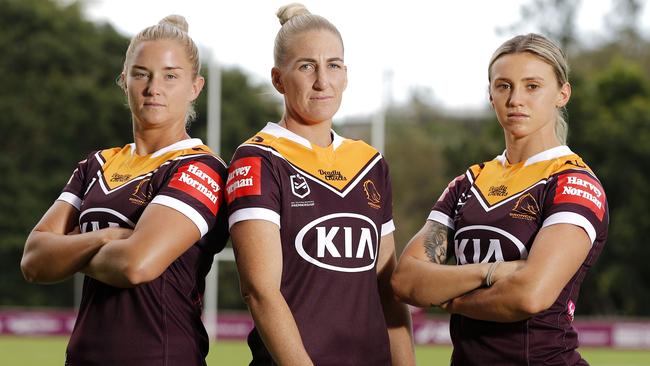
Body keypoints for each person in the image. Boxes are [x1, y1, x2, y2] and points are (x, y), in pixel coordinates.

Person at [20, 15, 228, 366]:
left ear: (195, 87)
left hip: (159, 357)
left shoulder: (199, 167)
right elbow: (34, 260)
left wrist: (68, 253)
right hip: (83, 357)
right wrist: (109, 237)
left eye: (170, 76)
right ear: (123, 80)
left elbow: (136, 265)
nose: (153, 88)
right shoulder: (98, 164)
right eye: (141, 73)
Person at [391, 33, 609, 365]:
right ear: (490, 95)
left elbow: (529, 295)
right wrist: (489, 273)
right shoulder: (468, 183)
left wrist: (451, 299)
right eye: (504, 86)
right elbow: (406, 280)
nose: (515, 99)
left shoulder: (573, 182)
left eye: (532, 86)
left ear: (562, 94)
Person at [225, 3, 415, 365]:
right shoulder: (258, 159)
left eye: (334, 65)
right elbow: (260, 292)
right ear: (278, 78)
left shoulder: (369, 163)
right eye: (306, 66)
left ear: (346, 75)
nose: (322, 81)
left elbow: (387, 291)